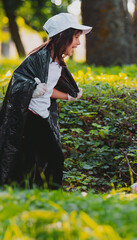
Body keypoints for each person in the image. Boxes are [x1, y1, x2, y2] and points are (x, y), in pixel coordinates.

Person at [0, 13, 92, 189]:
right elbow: (17, 83)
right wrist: (31, 90)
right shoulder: (37, 58)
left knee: (26, 162)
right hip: (29, 118)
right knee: (55, 158)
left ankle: (21, 197)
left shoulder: (57, 62)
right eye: (76, 37)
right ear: (62, 36)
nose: (78, 43)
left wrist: (69, 95)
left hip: (40, 116)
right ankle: (52, 195)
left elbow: (48, 90)